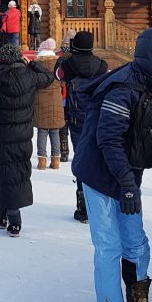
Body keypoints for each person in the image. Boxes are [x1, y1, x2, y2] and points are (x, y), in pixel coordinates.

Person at [72, 27, 152, 302]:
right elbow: (108, 139)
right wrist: (127, 186)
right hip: (100, 172)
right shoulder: (123, 87)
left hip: (128, 173)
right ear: (149, 55)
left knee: (136, 242)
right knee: (109, 245)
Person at [0, 42, 54, 237]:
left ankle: (13, 220)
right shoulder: (30, 76)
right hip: (24, 135)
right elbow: (49, 77)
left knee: (4, 174)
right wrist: (32, 63)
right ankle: (1, 215)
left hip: (2, 136)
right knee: (17, 173)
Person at [56, 30, 108, 219]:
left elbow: (58, 75)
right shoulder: (102, 65)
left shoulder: (68, 65)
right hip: (97, 117)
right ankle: (99, 204)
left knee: (81, 159)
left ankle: (83, 206)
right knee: (98, 158)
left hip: (76, 119)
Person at [32, 39, 65, 170]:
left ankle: (42, 161)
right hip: (56, 99)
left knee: (42, 131)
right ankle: (56, 160)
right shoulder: (58, 65)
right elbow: (63, 82)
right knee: (55, 131)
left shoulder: (36, 65)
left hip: (40, 99)